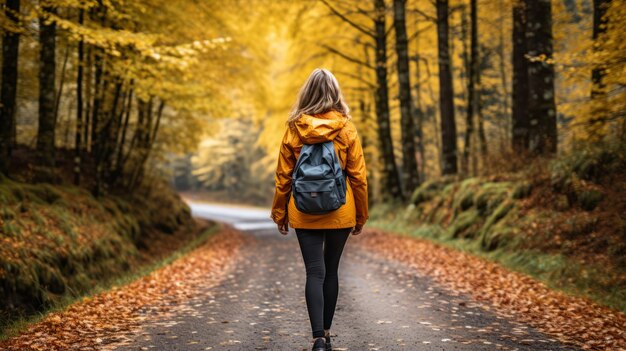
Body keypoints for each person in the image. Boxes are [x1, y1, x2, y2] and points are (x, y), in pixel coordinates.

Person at [270, 68, 369, 351]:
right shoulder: (346, 128)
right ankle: (326, 333)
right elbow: (358, 177)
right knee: (332, 270)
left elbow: (283, 176)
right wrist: (361, 215)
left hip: (303, 210)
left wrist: (280, 213)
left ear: (307, 93)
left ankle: (317, 340)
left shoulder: (294, 128)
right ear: (335, 93)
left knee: (315, 271)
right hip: (340, 210)